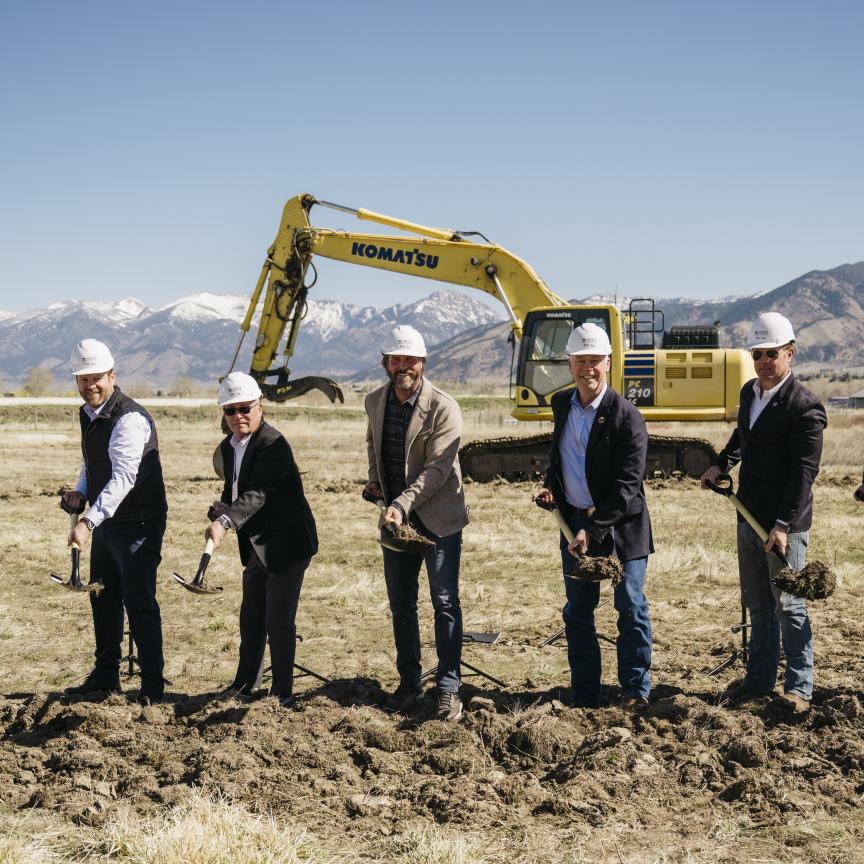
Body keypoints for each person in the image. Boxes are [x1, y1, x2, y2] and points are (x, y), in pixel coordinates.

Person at [701, 312, 826, 715]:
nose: (763, 361)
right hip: (747, 514)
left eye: (771, 353)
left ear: (790, 354)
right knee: (757, 604)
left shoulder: (804, 407)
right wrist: (722, 463)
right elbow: (742, 435)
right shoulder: (749, 393)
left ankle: (799, 689)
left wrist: (784, 525)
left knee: (789, 605)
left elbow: (804, 474)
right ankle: (758, 681)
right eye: (757, 354)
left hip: (782, 525)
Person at [535, 323, 654, 709]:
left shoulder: (627, 417)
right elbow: (565, 457)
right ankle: (585, 693)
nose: (588, 368)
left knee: (630, 605)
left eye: (595, 361)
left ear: (609, 362)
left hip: (620, 528)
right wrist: (551, 485)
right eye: (580, 360)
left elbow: (627, 487)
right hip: (574, 526)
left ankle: (635, 691)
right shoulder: (560, 405)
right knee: (578, 611)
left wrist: (592, 527)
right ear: (570, 364)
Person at [363, 325, 469, 722]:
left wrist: (402, 504)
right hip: (396, 519)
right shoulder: (375, 400)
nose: (402, 366)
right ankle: (409, 684)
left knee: (444, 603)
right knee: (401, 605)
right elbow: (373, 442)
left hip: (437, 518)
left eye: (409, 359)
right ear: (386, 363)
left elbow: (439, 469)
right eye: (395, 359)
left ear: (423, 362)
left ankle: (448, 689)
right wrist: (375, 479)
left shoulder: (444, 407)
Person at [61, 339, 168, 705]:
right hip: (108, 520)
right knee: (102, 597)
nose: (90, 385)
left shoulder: (129, 418)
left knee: (139, 601)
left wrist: (87, 522)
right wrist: (80, 491)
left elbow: (123, 477)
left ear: (112, 376)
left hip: (139, 521)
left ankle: (153, 687)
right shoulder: (89, 413)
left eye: (97, 378)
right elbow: (95, 462)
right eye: (83, 378)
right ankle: (107, 676)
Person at [206, 372, 318, 708]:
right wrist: (224, 507)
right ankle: (245, 686)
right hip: (256, 543)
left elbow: (259, 493)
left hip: (286, 544)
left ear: (260, 407)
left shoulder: (274, 444)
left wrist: (227, 521)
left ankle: (282, 694)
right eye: (231, 410)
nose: (238, 416)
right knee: (251, 617)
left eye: (245, 408)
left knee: (278, 620)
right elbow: (237, 490)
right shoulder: (229, 447)